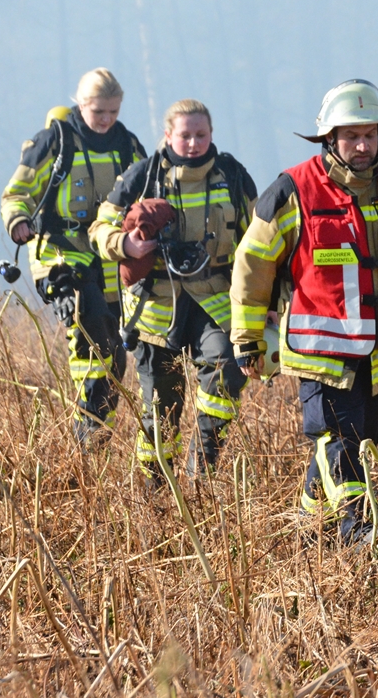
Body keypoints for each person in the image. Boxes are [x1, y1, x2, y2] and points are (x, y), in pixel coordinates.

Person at [228, 79, 378, 542]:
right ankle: (360, 529)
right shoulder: (293, 189)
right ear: (329, 138)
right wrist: (248, 336)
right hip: (321, 352)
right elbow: (251, 265)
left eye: (371, 135)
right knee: (338, 441)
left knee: (361, 443)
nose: (363, 145)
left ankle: (307, 525)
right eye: (351, 136)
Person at [88, 99, 257, 484]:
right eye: (185, 135)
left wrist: (271, 302)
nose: (194, 143)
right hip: (155, 306)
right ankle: (154, 489)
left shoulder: (233, 175)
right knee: (160, 407)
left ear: (212, 134)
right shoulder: (141, 176)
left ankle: (203, 467)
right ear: (168, 135)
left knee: (226, 370)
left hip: (215, 298)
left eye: (201, 135)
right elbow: (99, 230)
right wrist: (126, 245)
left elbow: (261, 241)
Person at [0, 68, 147, 448]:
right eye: (99, 111)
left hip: (110, 258)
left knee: (114, 354)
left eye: (113, 112)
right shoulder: (53, 142)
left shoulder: (127, 145)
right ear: (81, 104)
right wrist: (17, 220)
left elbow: (148, 192)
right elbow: (17, 193)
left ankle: (93, 436)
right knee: (90, 332)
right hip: (61, 255)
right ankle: (88, 434)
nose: (106, 120)